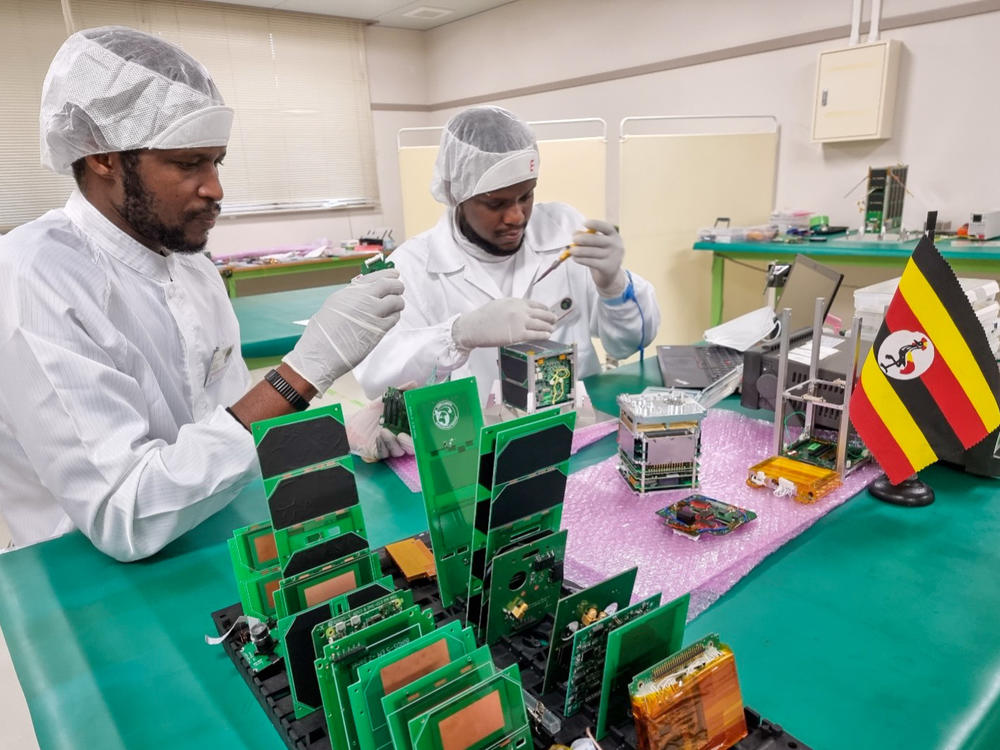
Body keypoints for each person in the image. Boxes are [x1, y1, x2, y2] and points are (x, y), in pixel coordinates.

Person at [0, 27, 405, 560]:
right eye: (189, 163)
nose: (215, 188)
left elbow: (228, 426)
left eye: (217, 161)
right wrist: (301, 375)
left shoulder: (190, 266)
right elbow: (125, 512)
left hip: (214, 533)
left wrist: (331, 439)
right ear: (104, 157)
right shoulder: (34, 277)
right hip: (89, 579)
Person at [355, 106, 660, 404]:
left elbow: (628, 344)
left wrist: (614, 286)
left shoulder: (563, 228)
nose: (516, 216)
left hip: (576, 425)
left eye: (526, 196)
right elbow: (377, 377)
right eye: (496, 203)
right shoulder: (413, 267)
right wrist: (456, 335)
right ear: (456, 195)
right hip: (473, 438)